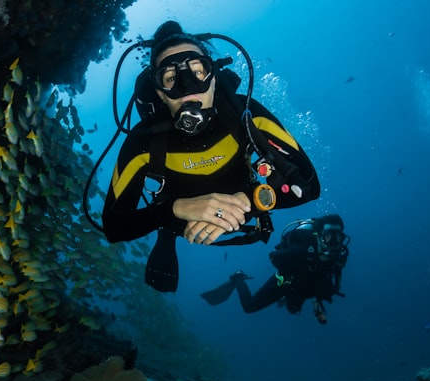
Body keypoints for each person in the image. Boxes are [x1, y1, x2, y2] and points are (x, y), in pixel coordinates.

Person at [101, 21, 321, 291]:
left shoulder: (247, 114)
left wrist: (250, 201)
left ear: (214, 76)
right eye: (170, 78)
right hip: (178, 220)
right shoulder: (143, 141)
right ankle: (167, 232)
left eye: (198, 71)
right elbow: (114, 226)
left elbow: (309, 185)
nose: (186, 86)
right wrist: (175, 209)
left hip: (246, 201)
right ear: (159, 92)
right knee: (167, 224)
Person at [201, 214, 350, 324]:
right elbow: (273, 256)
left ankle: (294, 300)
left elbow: (335, 279)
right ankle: (238, 277)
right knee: (249, 307)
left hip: (306, 287)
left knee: (293, 310)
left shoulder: (338, 256)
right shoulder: (303, 249)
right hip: (286, 283)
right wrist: (298, 258)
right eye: (330, 236)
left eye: (339, 237)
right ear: (319, 236)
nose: (335, 242)